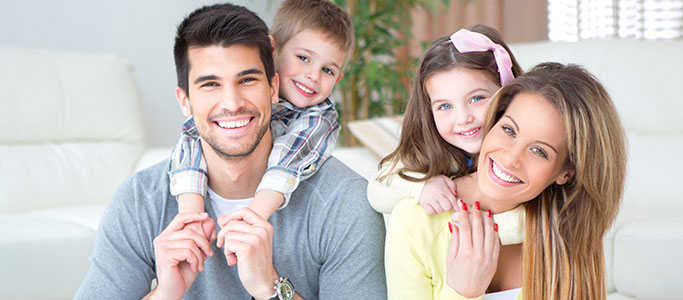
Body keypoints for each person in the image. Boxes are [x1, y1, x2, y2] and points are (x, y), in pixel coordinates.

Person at [74, 4, 386, 300]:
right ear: (185, 101)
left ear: (273, 87)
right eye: (210, 84)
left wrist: (270, 286)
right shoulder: (139, 201)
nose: (232, 102)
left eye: (247, 80)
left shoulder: (345, 203)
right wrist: (164, 294)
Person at [385, 62, 627, 299]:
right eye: (509, 131)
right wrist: (463, 293)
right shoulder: (415, 222)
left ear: (566, 173)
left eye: (539, 151)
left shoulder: (567, 236)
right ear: (493, 122)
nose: (511, 159)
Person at [170, 0, 353, 242]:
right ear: (272, 49)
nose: (313, 76)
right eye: (303, 58)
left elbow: (289, 161)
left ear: (338, 79)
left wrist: (253, 216)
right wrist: (191, 214)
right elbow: (192, 136)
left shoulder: (318, 117)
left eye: (327, 71)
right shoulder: (141, 196)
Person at [368, 25, 527, 245]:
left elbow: (545, 218)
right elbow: (376, 192)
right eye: (445, 107)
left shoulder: (524, 154)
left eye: (476, 99)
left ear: (507, 92)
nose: (463, 118)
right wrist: (419, 188)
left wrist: (490, 226)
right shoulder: (432, 152)